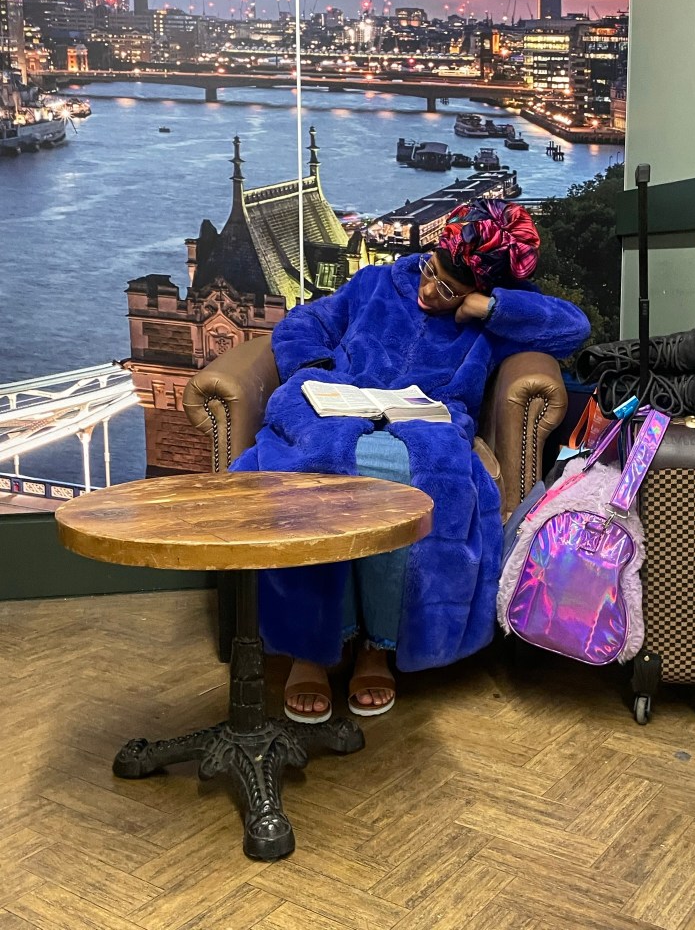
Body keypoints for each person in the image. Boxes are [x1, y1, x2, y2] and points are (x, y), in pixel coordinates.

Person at [230, 197, 590, 723]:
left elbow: (572, 328)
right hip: (335, 407)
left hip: (424, 421)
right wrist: (317, 369)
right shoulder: (377, 282)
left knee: (400, 479)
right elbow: (304, 322)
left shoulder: (492, 314)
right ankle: (310, 650)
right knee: (317, 470)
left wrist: (490, 310)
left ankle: (375, 648)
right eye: (430, 271)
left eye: (448, 290)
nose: (429, 291)